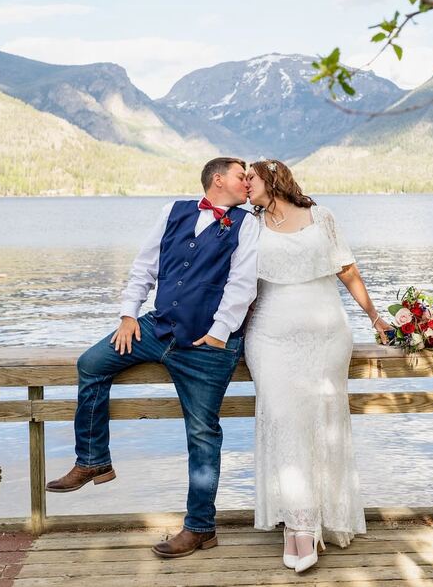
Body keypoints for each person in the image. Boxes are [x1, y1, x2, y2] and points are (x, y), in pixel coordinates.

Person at [46, 157, 259, 559]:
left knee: (202, 432)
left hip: (206, 345)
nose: (247, 182)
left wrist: (216, 335)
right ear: (218, 179)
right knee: (91, 364)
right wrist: (128, 315)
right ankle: (93, 460)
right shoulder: (173, 211)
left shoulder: (248, 225)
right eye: (240, 175)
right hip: (154, 328)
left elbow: (242, 284)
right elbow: (144, 266)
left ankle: (200, 528)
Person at [244, 159, 391, 573]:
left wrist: (376, 318)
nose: (244, 186)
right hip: (270, 338)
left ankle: (313, 521)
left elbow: (347, 271)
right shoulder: (249, 226)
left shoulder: (321, 217)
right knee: (285, 420)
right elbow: (238, 286)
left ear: (271, 179)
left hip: (326, 337)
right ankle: (298, 524)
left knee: (322, 423)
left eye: (249, 179)